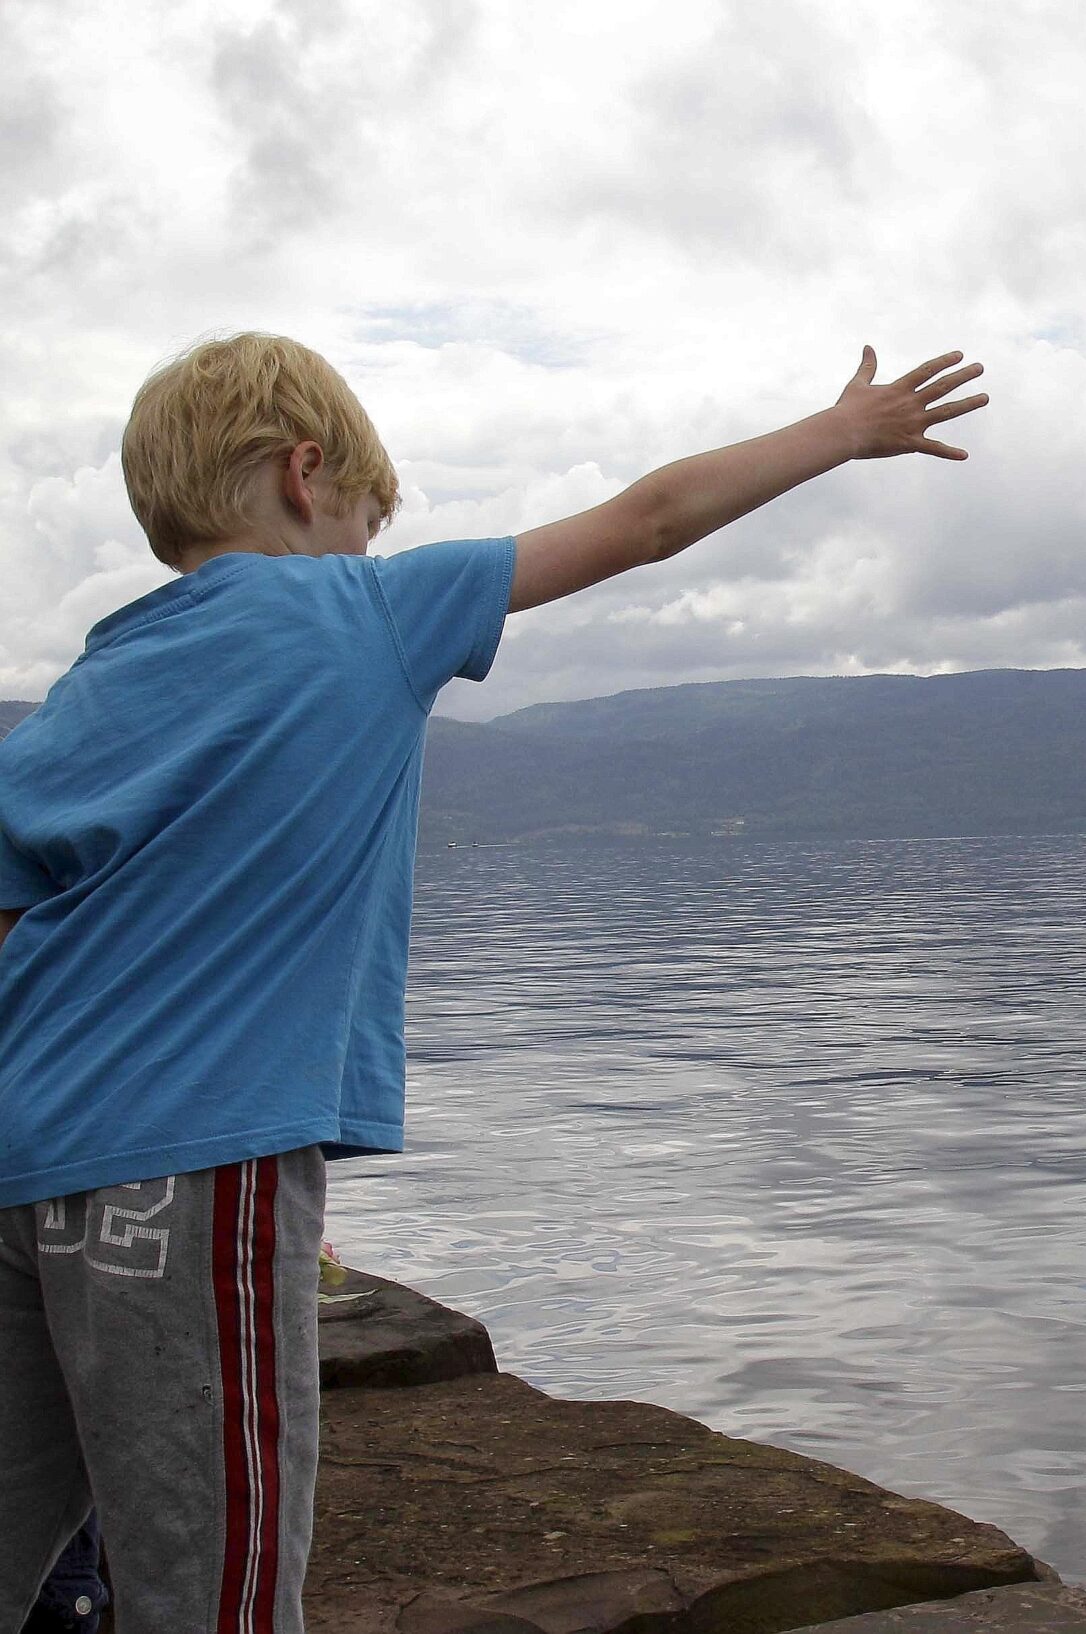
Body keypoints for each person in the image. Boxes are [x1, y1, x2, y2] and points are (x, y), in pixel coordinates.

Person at [0, 332, 987, 1633]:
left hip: (22, 1153)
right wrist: (839, 431)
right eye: (363, 515)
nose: (366, 541)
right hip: (187, 1164)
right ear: (308, 477)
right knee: (214, 1589)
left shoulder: (92, 679)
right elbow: (645, 521)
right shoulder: (368, 610)